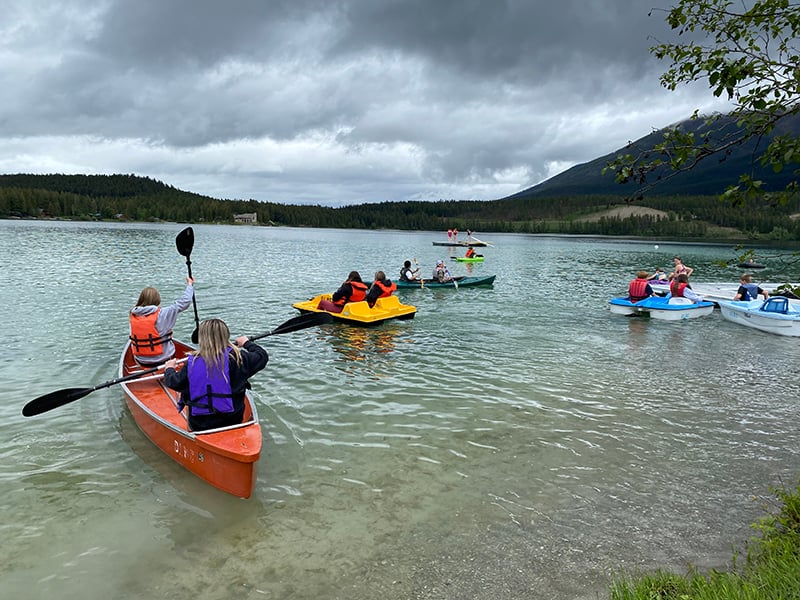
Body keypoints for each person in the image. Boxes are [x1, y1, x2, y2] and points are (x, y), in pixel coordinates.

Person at [163, 318, 268, 432]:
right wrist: (246, 343)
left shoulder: (192, 363)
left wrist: (169, 369)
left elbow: (174, 382)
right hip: (233, 420)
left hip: (200, 424)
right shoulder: (239, 359)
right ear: (226, 336)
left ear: (201, 339)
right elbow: (262, 356)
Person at [129, 276, 195, 365]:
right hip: (164, 359)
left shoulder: (133, 314)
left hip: (141, 360)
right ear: (157, 299)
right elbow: (185, 301)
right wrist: (190, 284)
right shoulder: (163, 313)